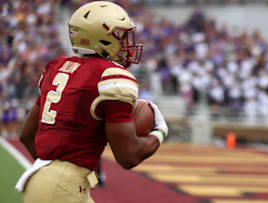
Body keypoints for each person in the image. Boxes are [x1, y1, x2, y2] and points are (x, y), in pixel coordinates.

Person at [15, 2, 168, 203]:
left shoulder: (58, 66)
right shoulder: (111, 76)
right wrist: (160, 132)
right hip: (62, 188)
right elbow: (128, 156)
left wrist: (53, 167)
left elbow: (27, 135)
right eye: (120, 36)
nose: (126, 43)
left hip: (43, 180)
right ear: (103, 38)